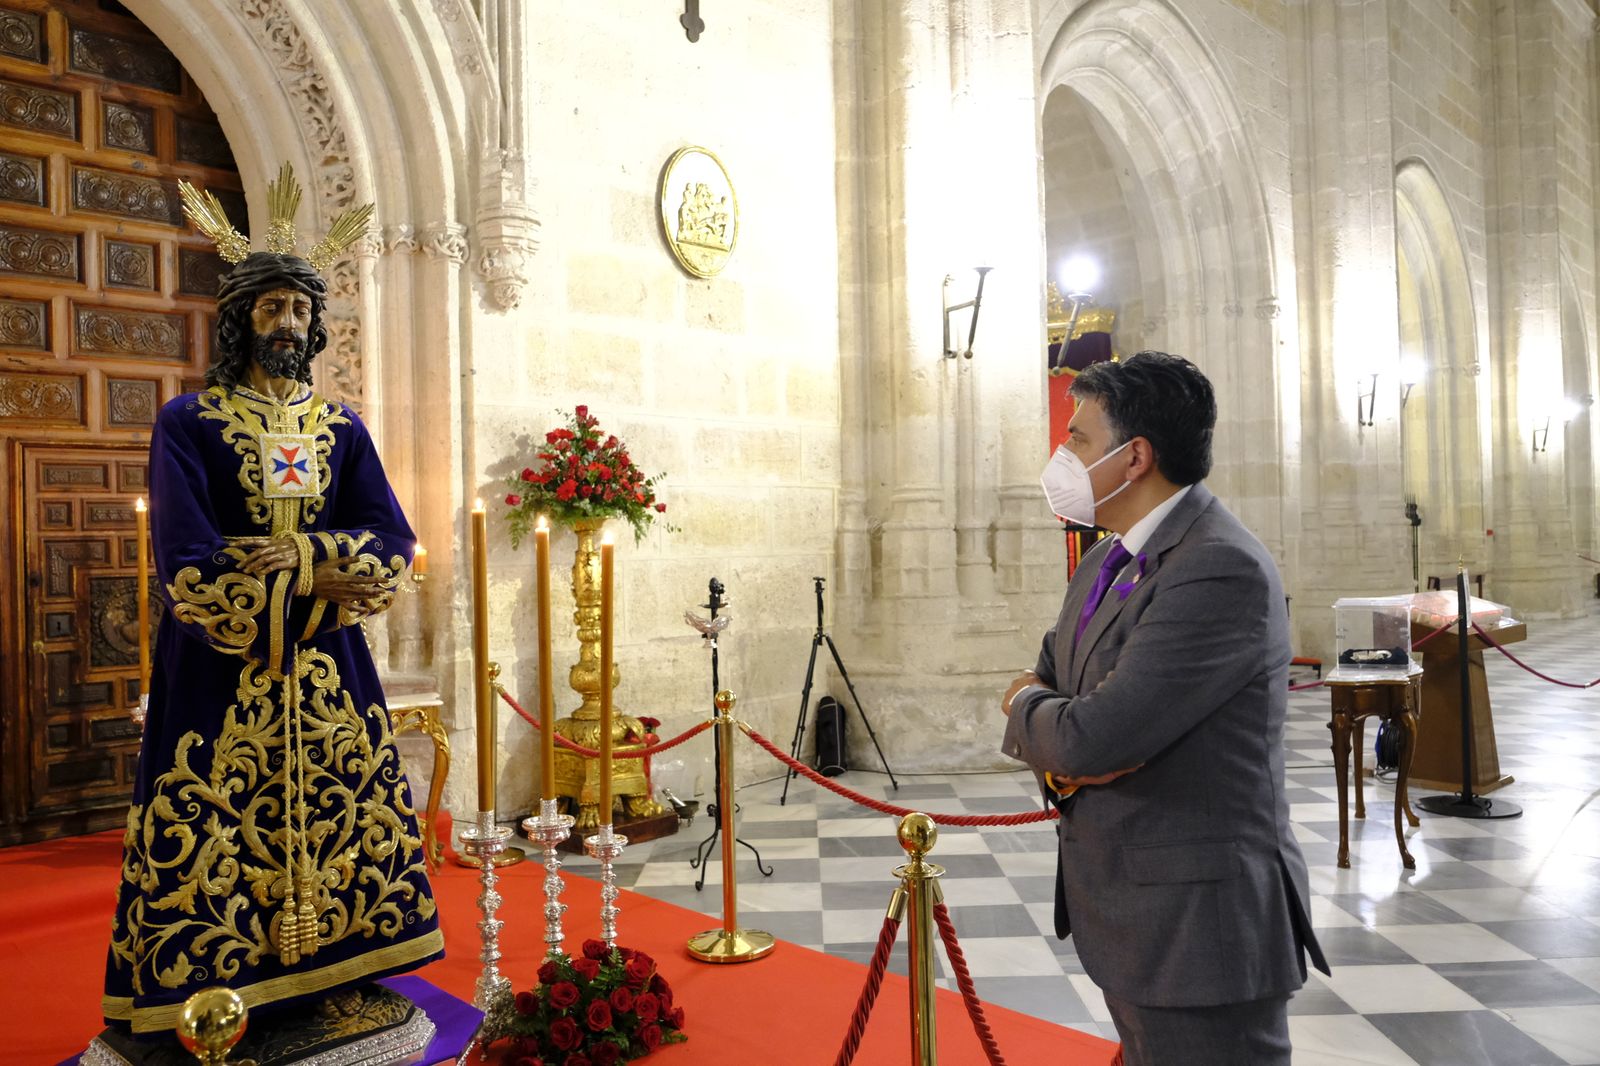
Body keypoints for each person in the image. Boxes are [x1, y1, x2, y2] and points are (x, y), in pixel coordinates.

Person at [102, 168, 442, 1036]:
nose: (287, 323)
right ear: (240, 319)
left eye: (299, 309)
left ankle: (336, 970)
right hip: (222, 674)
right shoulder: (190, 422)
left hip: (329, 668)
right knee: (216, 823)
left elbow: (392, 541)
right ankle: (219, 984)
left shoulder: (342, 431)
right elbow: (187, 556)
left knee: (346, 817)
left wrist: (308, 555)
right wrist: (285, 589)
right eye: (271, 308)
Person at [1000, 351, 1327, 1066]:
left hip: (1201, 929)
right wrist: (1058, 732)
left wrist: (1034, 713)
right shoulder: (1104, 558)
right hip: (1135, 914)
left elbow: (1088, 734)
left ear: (1134, 457)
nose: (1063, 456)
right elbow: (1057, 679)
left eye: (1079, 439)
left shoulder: (1217, 565)